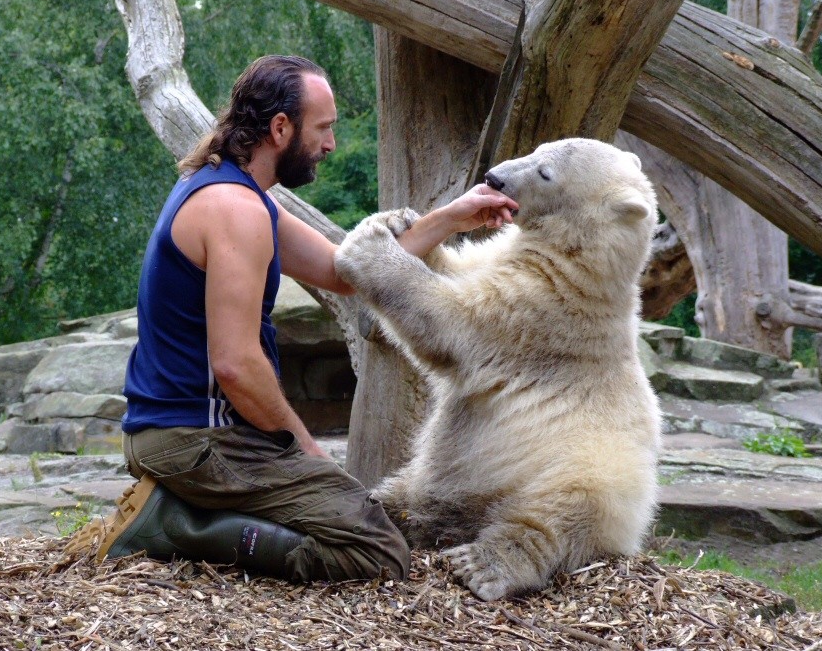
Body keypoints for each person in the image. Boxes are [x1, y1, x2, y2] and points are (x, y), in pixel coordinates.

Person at [63, 55, 518, 582]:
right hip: (196, 442)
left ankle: (198, 512)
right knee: (378, 550)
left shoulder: (236, 192)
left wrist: (453, 216)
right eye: (323, 128)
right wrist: (306, 449)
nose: (329, 144)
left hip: (185, 438)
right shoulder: (236, 210)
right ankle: (175, 524)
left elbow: (344, 271)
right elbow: (234, 363)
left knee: (357, 515)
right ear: (281, 128)